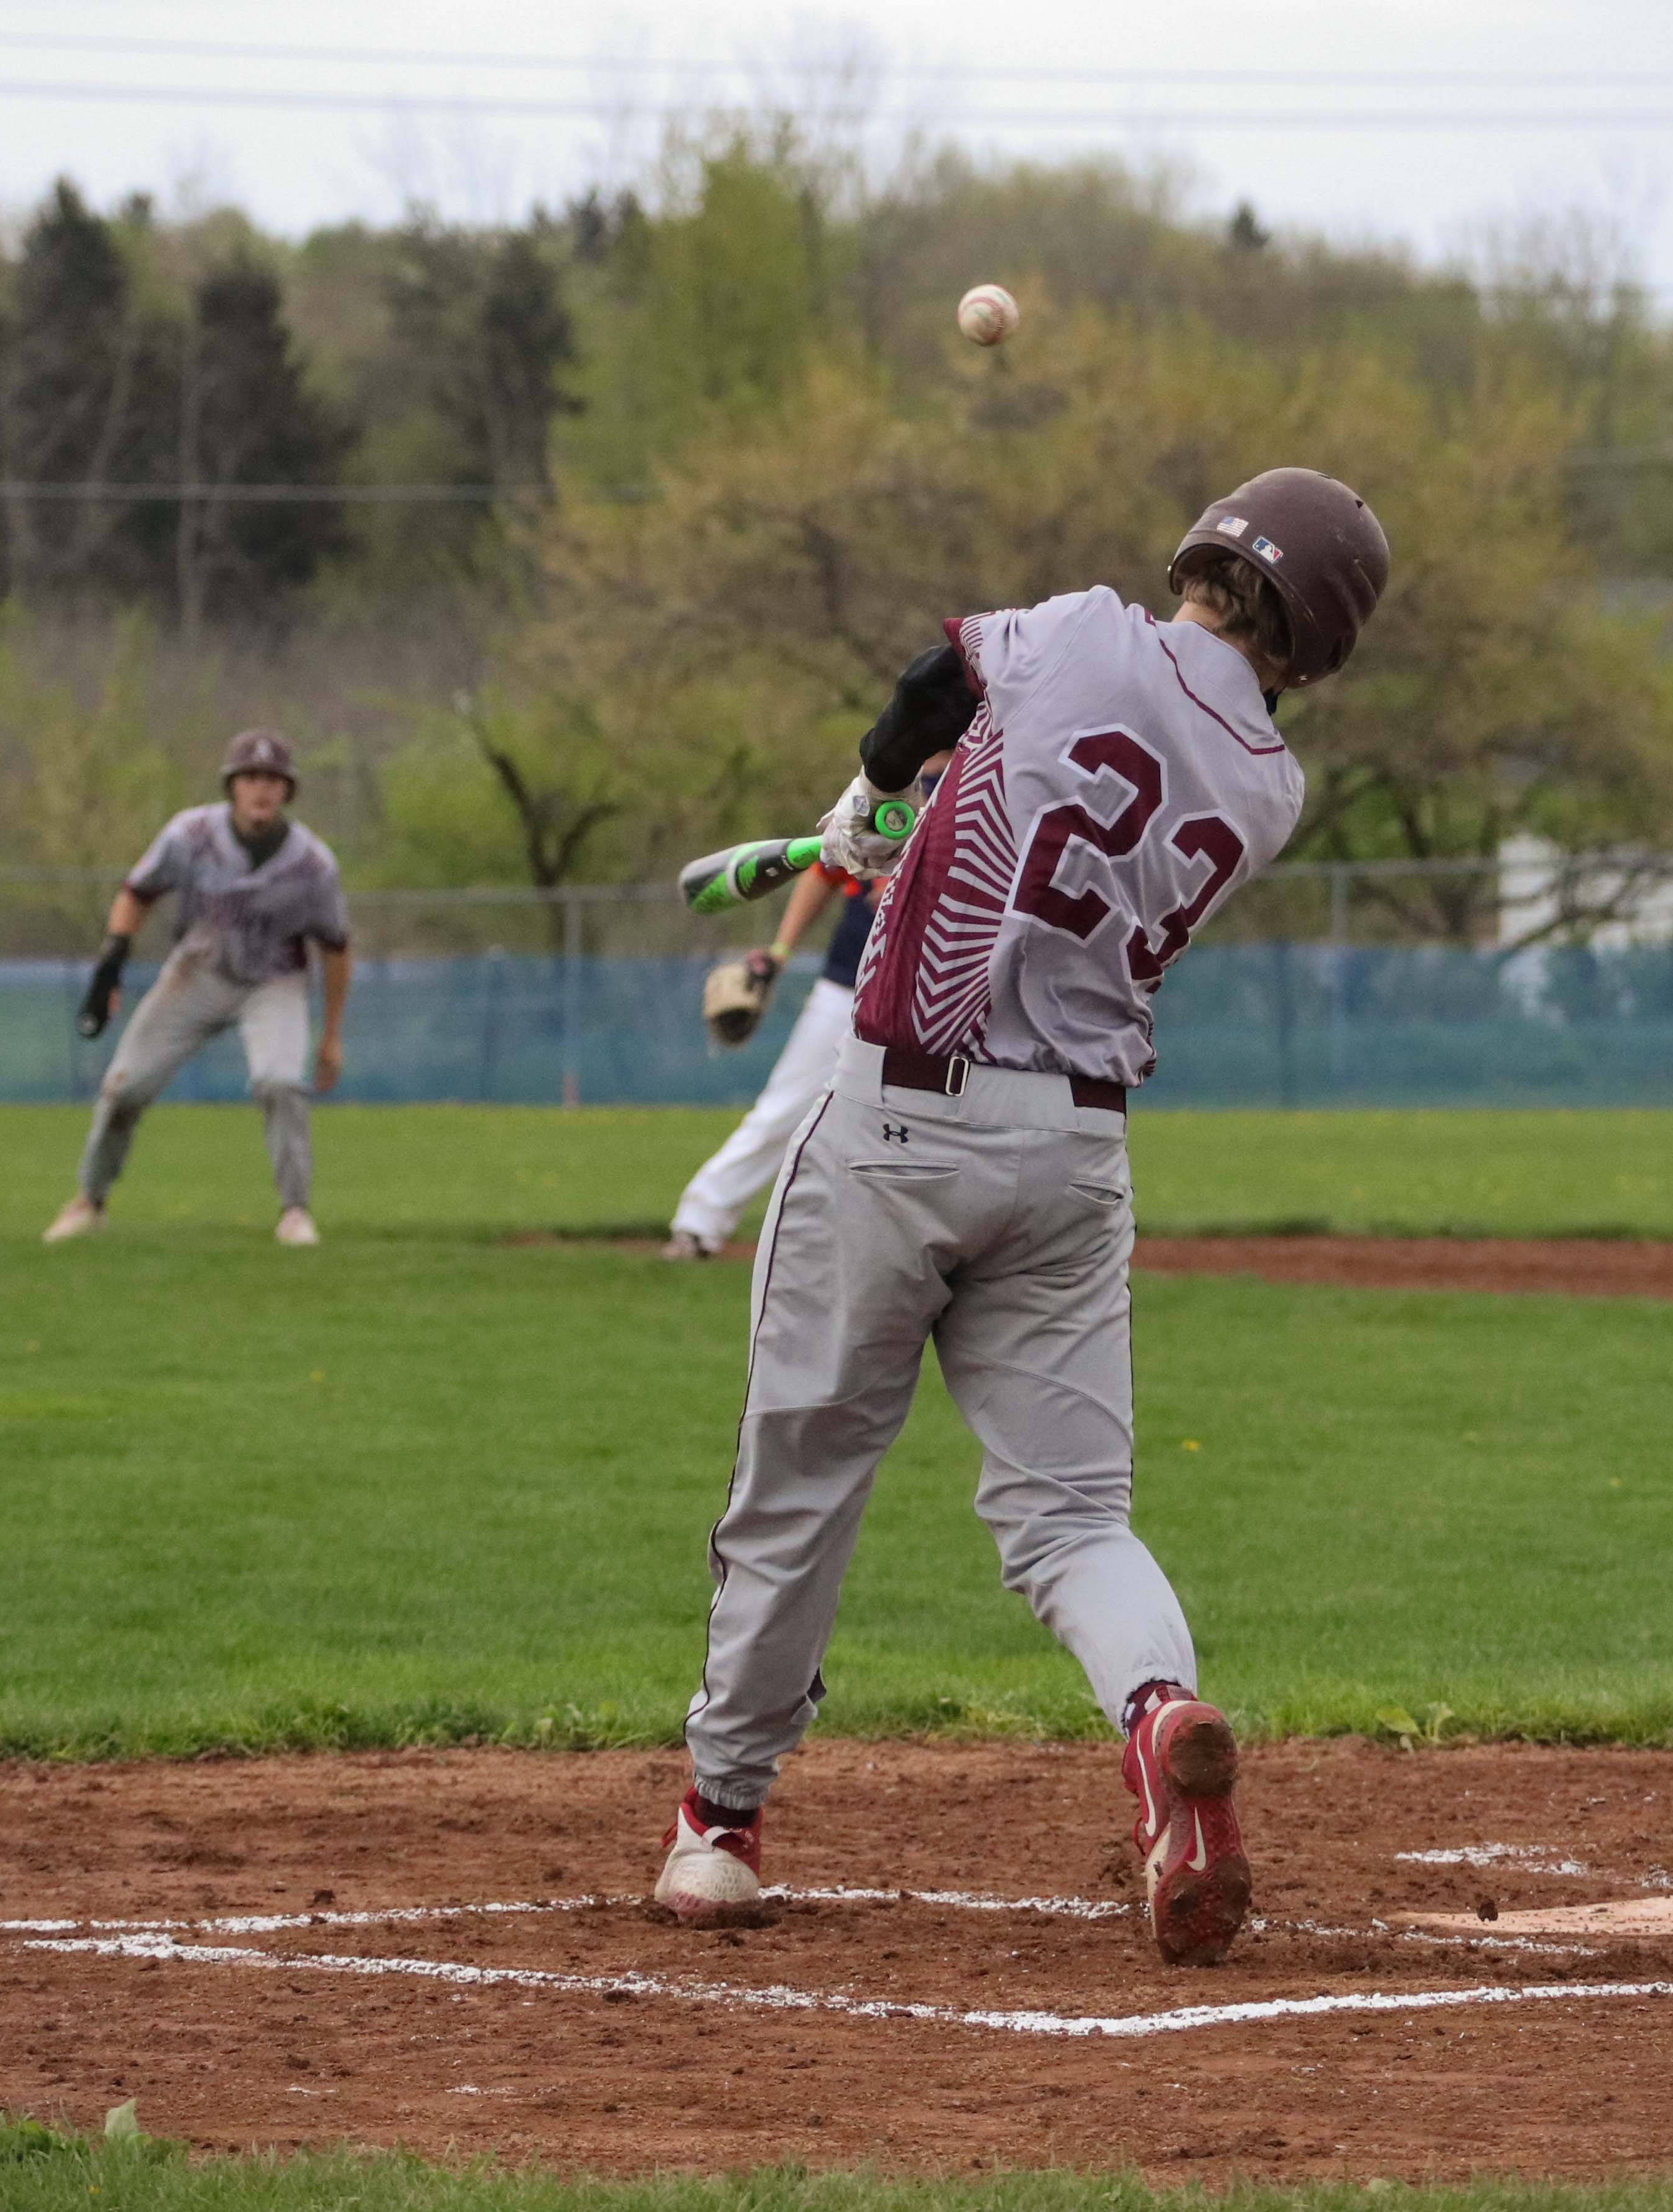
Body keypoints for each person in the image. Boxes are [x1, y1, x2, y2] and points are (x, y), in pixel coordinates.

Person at [652, 468, 1390, 1966]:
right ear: (1313, 644)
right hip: (1073, 1153)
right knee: (1071, 1518)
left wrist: (868, 803)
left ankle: (718, 1825)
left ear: (1203, 553)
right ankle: (1158, 1714)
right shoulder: (1268, 782)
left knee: (803, 1477)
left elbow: (935, 686)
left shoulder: (1081, 630)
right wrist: (909, 817)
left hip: (900, 1114)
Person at [42, 729, 352, 1248]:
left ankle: (295, 1212)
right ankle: (88, 1202)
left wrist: (332, 1033)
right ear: (231, 785)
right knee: (126, 1087)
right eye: (250, 777)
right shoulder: (191, 835)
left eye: (274, 780)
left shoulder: (311, 864)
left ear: (288, 792)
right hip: (198, 973)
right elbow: (136, 892)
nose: (262, 789)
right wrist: (111, 964)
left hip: (273, 981)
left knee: (278, 1082)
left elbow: (337, 948)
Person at [663, 755, 955, 1262]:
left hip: (940, 989)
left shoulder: (984, 778)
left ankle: (929, 1244)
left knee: (940, 1122)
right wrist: (778, 953)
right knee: (787, 1104)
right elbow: (823, 866)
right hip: (852, 978)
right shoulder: (889, 781)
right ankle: (699, 1223)